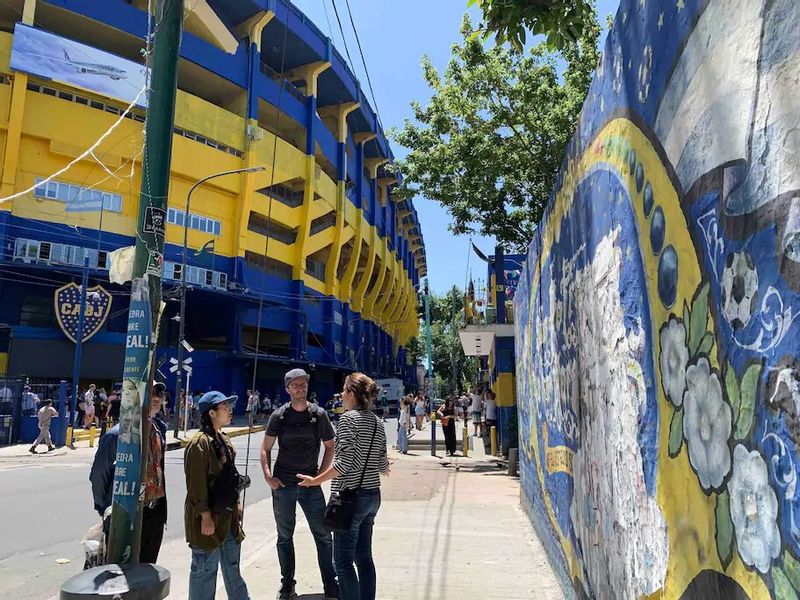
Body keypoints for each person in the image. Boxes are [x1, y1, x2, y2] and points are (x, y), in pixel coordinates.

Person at [298, 373, 389, 600]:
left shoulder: (348, 419)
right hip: (372, 496)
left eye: (343, 391)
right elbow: (383, 464)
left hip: (350, 498)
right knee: (364, 558)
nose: (340, 396)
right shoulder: (377, 422)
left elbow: (344, 463)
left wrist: (315, 480)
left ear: (352, 394)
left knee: (343, 562)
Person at [260, 368, 339, 600]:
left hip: (310, 485)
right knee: (285, 536)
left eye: (303, 383)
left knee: (323, 535)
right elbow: (265, 448)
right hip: (283, 484)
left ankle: (330, 584)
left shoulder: (319, 415)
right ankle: (287, 585)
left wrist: (320, 476)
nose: (300, 387)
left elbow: (330, 446)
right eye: (295, 384)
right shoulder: (279, 416)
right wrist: (268, 477)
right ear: (287, 389)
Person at [89, 381, 168, 563]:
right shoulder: (117, 435)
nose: (156, 398)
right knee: (121, 573)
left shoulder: (159, 429)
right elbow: (99, 476)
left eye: (159, 394)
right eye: (150, 393)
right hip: (126, 514)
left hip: (154, 515)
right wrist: (107, 510)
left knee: (147, 570)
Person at [184, 391, 250, 600]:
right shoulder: (199, 444)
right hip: (208, 517)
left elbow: (231, 477)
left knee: (232, 567)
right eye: (225, 407)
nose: (230, 411)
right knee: (204, 571)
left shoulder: (223, 440)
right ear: (212, 413)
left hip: (228, 516)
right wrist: (204, 515)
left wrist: (237, 502)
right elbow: (196, 484)